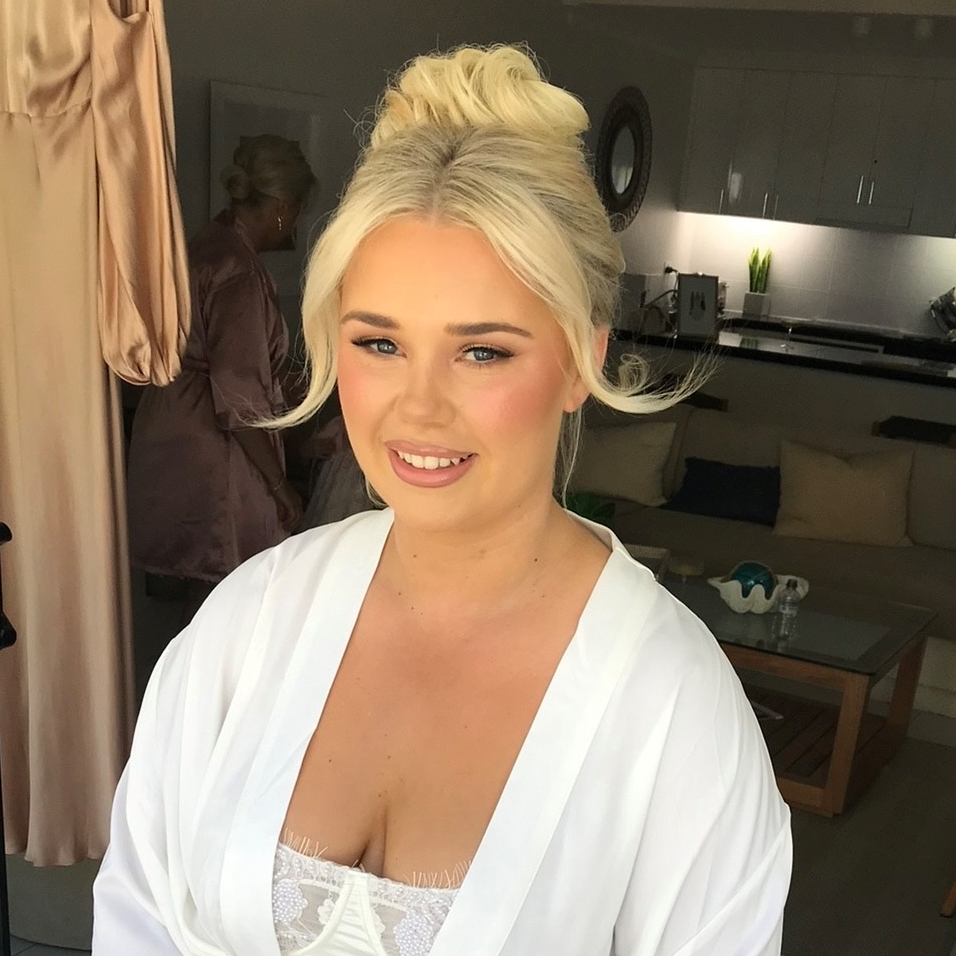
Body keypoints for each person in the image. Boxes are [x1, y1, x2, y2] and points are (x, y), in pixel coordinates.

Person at [93, 46, 791, 955]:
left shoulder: (673, 706)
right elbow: (138, 916)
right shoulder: (250, 622)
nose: (417, 409)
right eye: (379, 344)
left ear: (580, 361)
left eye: (483, 351)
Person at [125, 134, 316, 618]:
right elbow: (238, 396)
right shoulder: (238, 270)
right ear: (282, 208)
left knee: (192, 603)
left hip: (170, 424)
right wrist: (280, 486)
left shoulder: (206, 242)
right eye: (297, 211)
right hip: (211, 448)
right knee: (224, 601)